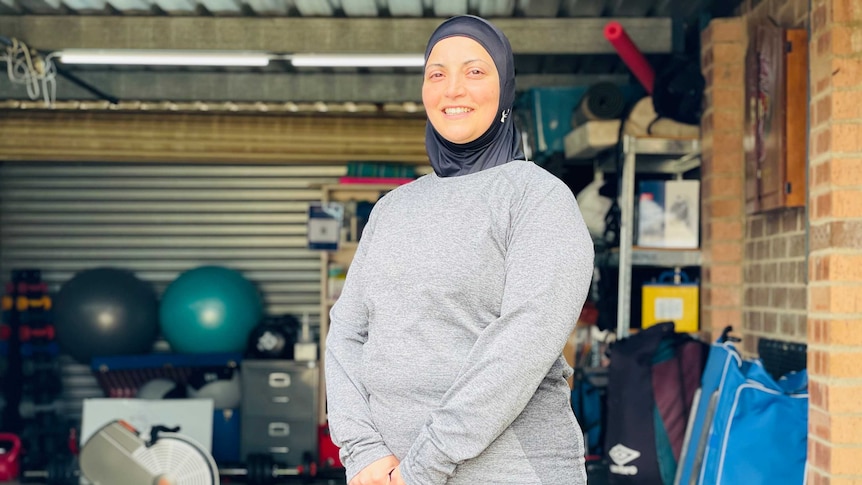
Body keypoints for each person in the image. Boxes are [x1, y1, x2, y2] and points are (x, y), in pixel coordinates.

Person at [325, 14, 594, 485]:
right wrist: (363, 451)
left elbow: (523, 344)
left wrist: (424, 465)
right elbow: (347, 331)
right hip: (387, 473)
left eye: (475, 71)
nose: (453, 89)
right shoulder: (392, 209)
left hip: (508, 471)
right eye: (437, 73)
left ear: (505, 87)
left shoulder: (537, 197)